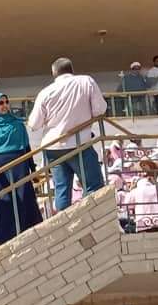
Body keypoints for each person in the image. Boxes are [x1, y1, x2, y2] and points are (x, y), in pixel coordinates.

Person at [27, 58, 107, 211]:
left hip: (53, 146)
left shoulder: (45, 92)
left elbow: (34, 124)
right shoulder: (86, 81)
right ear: (72, 69)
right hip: (79, 142)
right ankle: (92, 218)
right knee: (93, 185)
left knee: (62, 190)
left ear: (54, 73)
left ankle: (64, 223)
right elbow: (100, 109)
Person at [0, 93, 42, 242]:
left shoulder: (18, 125)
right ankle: (5, 240)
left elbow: (27, 149)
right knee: (4, 204)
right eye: (0, 103)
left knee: (24, 200)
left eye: (6, 102)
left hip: (20, 169)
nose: (5, 105)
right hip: (0, 173)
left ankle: (32, 236)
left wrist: (33, 170)